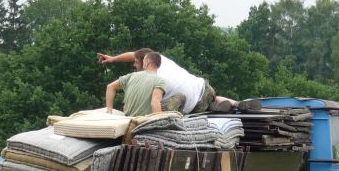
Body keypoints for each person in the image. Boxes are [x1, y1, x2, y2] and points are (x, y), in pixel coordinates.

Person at [97, 49, 261, 114]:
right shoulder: (160, 58)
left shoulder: (154, 80)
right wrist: (113, 59)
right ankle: (236, 103)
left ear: (145, 63)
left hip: (190, 106)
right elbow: (135, 53)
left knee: (170, 102)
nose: (134, 65)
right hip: (203, 87)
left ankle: (213, 108)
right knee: (213, 97)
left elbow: (153, 105)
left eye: (136, 64)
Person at [105, 52, 166, 116]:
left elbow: (110, 87)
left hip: (127, 119)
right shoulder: (160, 81)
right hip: (143, 121)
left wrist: (109, 111)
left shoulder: (131, 75)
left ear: (146, 63)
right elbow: (155, 103)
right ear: (158, 65)